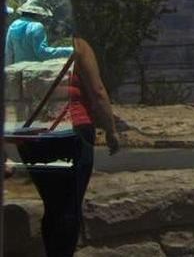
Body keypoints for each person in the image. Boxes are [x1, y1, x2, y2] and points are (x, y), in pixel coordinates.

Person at [22, 37, 121, 257]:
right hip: (71, 131)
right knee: (68, 206)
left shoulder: (17, 42)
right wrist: (111, 131)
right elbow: (97, 91)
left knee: (53, 204)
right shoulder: (78, 46)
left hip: (31, 134)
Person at [6, 0, 74, 65]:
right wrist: (70, 51)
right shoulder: (37, 26)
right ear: (38, 14)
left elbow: (8, 53)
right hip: (33, 71)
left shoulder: (13, 25)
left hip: (16, 71)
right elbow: (43, 53)